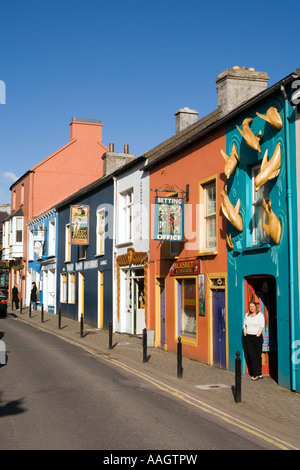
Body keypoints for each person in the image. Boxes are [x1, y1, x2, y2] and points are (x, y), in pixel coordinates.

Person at [243, 301, 265, 381]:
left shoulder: (260, 315)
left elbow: (262, 326)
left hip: (257, 338)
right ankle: (255, 374)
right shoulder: (247, 315)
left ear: (256, 307)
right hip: (249, 337)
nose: (251, 308)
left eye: (253, 306)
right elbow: (244, 325)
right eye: (250, 307)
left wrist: (257, 335)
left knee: (258, 356)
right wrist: (245, 332)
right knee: (252, 356)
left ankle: (259, 373)